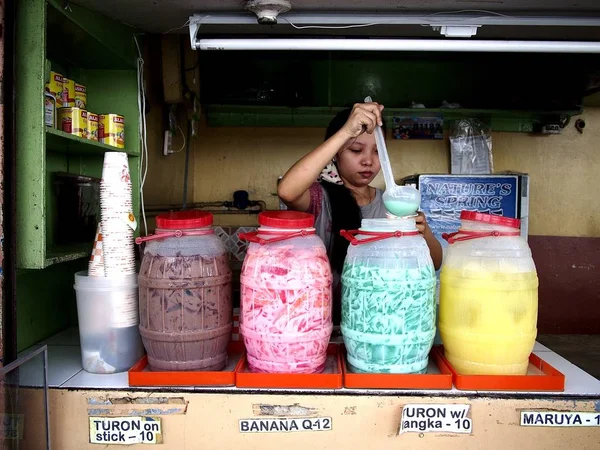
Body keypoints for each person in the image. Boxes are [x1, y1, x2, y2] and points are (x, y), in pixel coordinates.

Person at [278, 101, 443, 323]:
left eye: (377, 152)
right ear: (335, 154)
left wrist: (425, 234)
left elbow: (433, 263)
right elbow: (287, 191)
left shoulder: (392, 204)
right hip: (322, 321)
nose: (368, 161)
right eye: (356, 150)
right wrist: (346, 131)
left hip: (376, 322)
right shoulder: (320, 198)